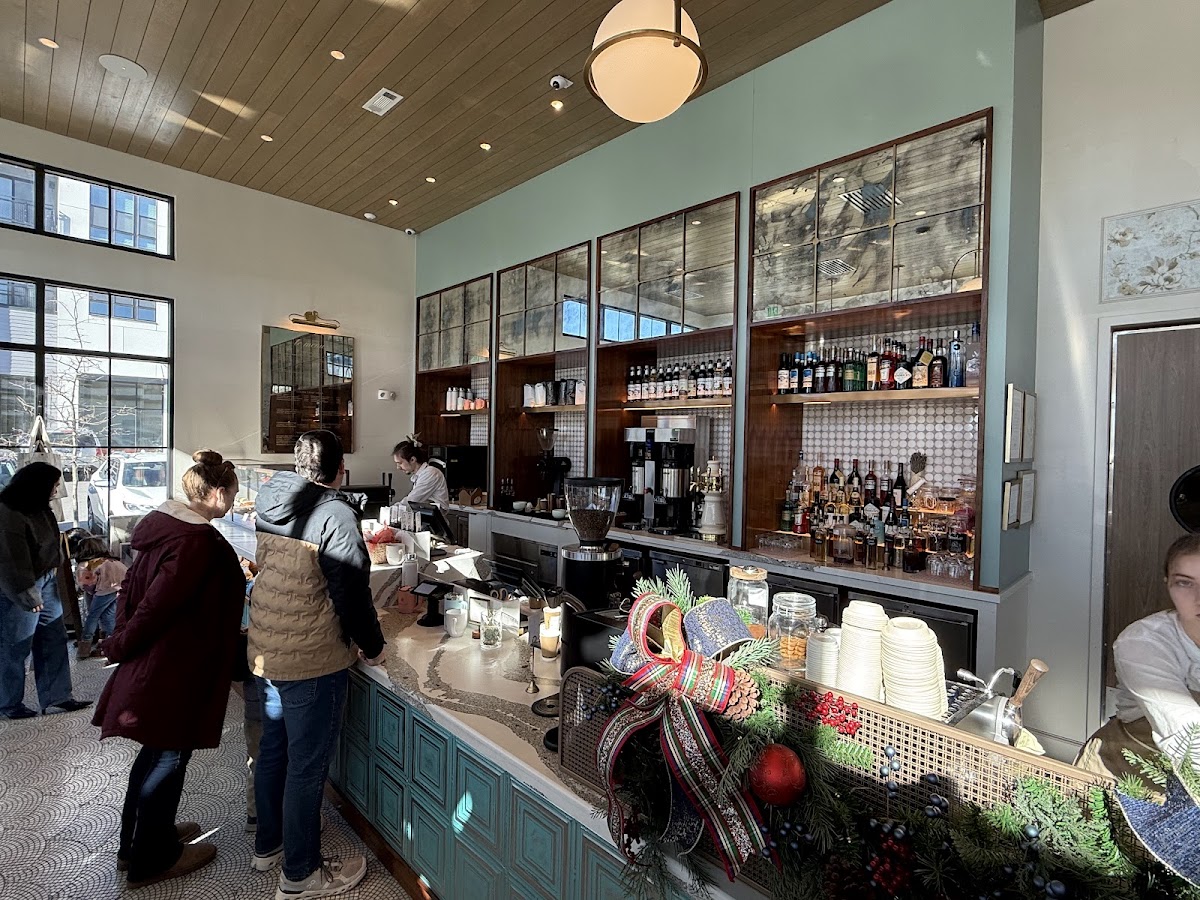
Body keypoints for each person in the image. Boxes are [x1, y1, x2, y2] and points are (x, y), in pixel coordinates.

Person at [92, 450, 245, 888]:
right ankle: (153, 858)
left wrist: (123, 637)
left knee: (156, 753)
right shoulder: (197, 542)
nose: (234, 502)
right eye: (232, 494)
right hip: (176, 665)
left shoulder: (167, 529)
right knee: (167, 755)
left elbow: (133, 593)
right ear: (216, 494)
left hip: (165, 659)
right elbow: (159, 605)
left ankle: (137, 842)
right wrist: (120, 642)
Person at [248, 430, 386, 899]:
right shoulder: (335, 514)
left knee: (274, 751)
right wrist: (372, 644)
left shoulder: (271, 501)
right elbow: (350, 589)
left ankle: (270, 845)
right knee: (306, 768)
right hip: (311, 653)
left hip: (270, 644)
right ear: (339, 469)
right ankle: (300, 873)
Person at [1076, 534, 1200, 784]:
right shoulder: (1142, 644)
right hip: (1120, 771)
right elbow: (1189, 738)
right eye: (1185, 583)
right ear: (1168, 585)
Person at [0, 461, 91, 719]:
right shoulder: (9, 512)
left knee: (53, 638)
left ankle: (58, 696)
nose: (57, 489)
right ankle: (9, 704)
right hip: (21, 586)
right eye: (54, 484)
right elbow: (10, 560)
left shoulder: (39, 507)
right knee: (15, 646)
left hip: (46, 582)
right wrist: (26, 592)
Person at [73, 545, 128, 659]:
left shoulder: (88, 564)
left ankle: (85, 647)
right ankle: (110, 646)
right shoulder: (110, 561)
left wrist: (82, 589)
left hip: (105, 588)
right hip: (119, 586)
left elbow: (86, 583)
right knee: (109, 616)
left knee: (93, 615)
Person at [392, 440, 449, 509]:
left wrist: (390, 510)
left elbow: (412, 501)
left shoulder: (430, 473)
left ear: (412, 459)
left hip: (435, 519)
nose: (398, 467)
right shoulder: (420, 475)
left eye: (400, 463)